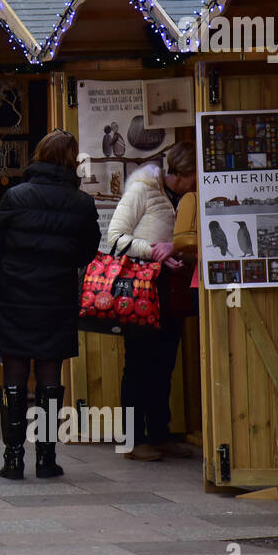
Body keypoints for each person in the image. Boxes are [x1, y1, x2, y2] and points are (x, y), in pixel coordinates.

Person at [0, 130, 101, 480]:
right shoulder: (81, 202)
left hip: (14, 292)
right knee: (50, 373)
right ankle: (46, 458)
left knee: (14, 370)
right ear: (72, 160)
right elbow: (87, 251)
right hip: (57, 294)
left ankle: (13, 458)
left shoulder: (16, 195)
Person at [106, 141, 198, 462]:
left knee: (165, 364)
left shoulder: (184, 198)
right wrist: (151, 250)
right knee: (139, 365)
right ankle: (134, 439)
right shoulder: (141, 191)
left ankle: (160, 433)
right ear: (179, 174)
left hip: (170, 290)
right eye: (192, 177)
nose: (196, 183)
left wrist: (180, 253)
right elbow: (115, 238)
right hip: (141, 290)